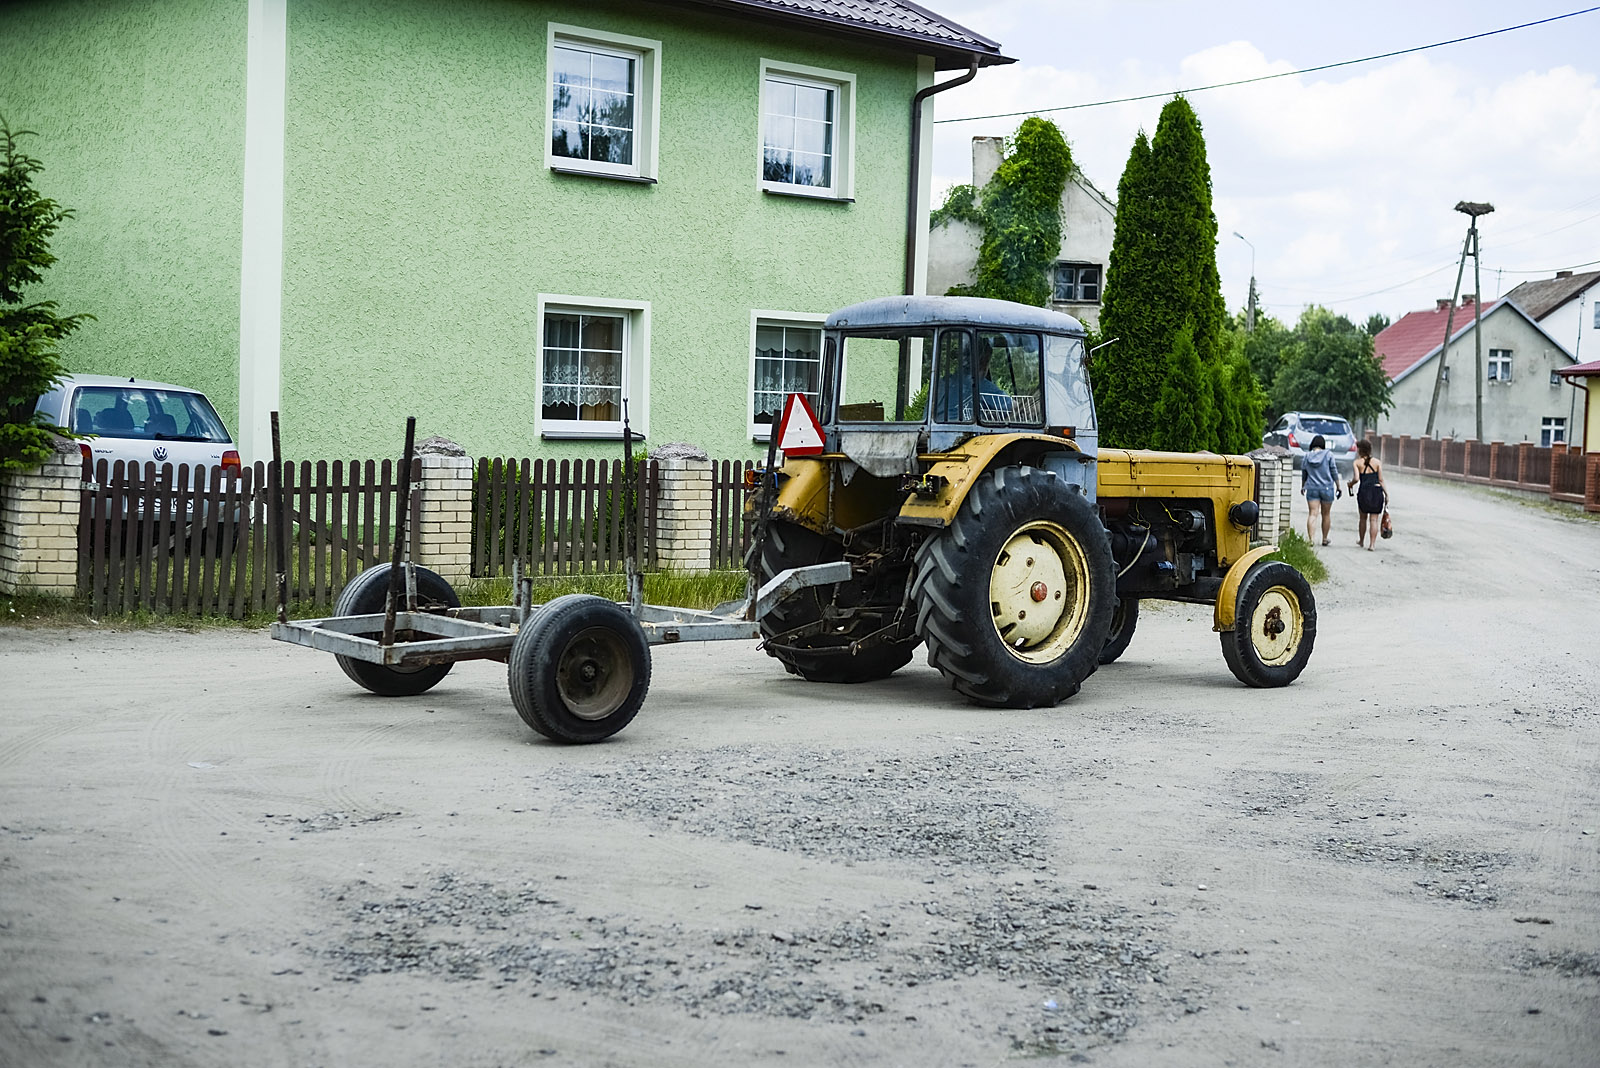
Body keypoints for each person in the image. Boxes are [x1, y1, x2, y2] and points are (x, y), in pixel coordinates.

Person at [1347, 438, 1388, 550]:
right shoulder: (1377, 463)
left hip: (1364, 492)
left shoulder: (1357, 463)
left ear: (1360, 450)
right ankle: (1372, 544)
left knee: (1363, 518)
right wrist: (1386, 494)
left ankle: (1361, 541)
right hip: (1376, 491)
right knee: (1374, 520)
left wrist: (1350, 484)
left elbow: (1356, 478)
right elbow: (1381, 480)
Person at [1301, 434, 1340, 546]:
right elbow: (1334, 471)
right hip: (1327, 488)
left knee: (1313, 514)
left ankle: (1311, 539)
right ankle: (1324, 538)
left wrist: (1303, 486)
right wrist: (1338, 486)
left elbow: (1304, 473)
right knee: (1326, 514)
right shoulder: (1329, 455)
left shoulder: (1307, 456)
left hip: (1312, 488)